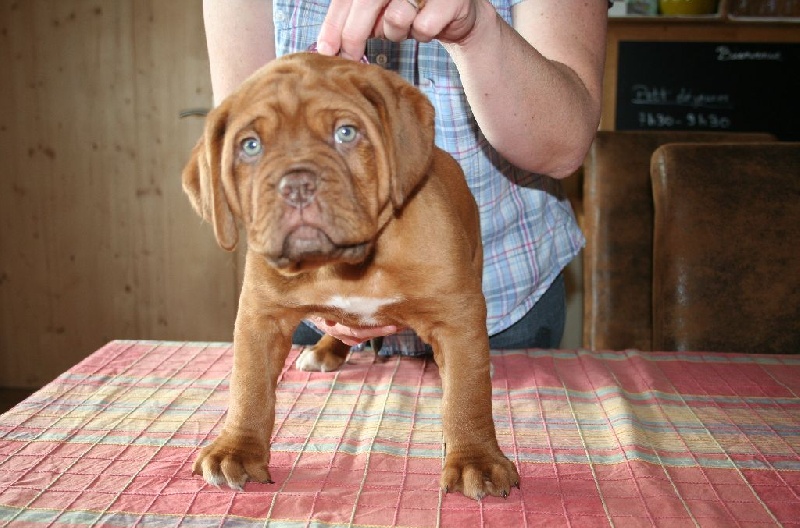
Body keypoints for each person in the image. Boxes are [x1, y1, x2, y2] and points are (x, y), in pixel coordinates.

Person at [202, 0, 608, 352]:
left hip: (502, 298)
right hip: (312, 293)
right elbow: (245, 140)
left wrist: (476, 29)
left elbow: (566, 145)